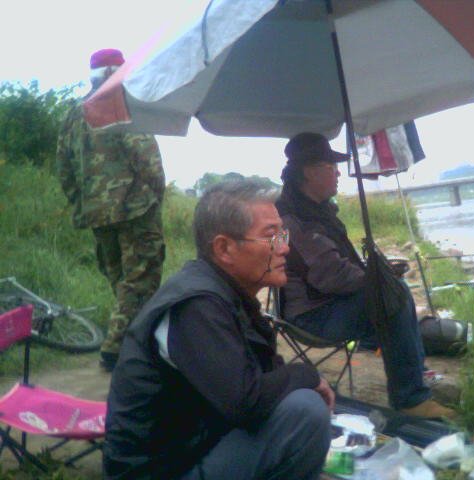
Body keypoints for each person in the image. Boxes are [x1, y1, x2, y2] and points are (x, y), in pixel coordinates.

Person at [104, 180, 333, 480]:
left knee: (297, 403)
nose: (285, 248)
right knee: (305, 413)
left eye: (283, 234)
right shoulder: (196, 306)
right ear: (224, 248)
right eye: (270, 236)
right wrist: (307, 375)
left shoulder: (228, 294)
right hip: (163, 469)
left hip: (197, 445)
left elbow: (262, 378)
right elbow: (245, 403)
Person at [275, 132, 455, 419]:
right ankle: (411, 398)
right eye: (331, 167)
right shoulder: (294, 220)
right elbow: (331, 276)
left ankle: (416, 372)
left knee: (391, 291)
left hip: (325, 304)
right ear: (309, 172)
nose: (338, 173)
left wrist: (378, 274)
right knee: (391, 294)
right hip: (313, 316)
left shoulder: (310, 210)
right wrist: (377, 278)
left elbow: (336, 270)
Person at [56, 48, 166, 372]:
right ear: (116, 72)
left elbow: (64, 169)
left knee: (119, 278)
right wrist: (155, 196)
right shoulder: (124, 104)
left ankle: (136, 340)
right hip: (135, 209)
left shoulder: (74, 114)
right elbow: (147, 160)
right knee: (140, 278)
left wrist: (82, 203)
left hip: (97, 212)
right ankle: (116, 348)